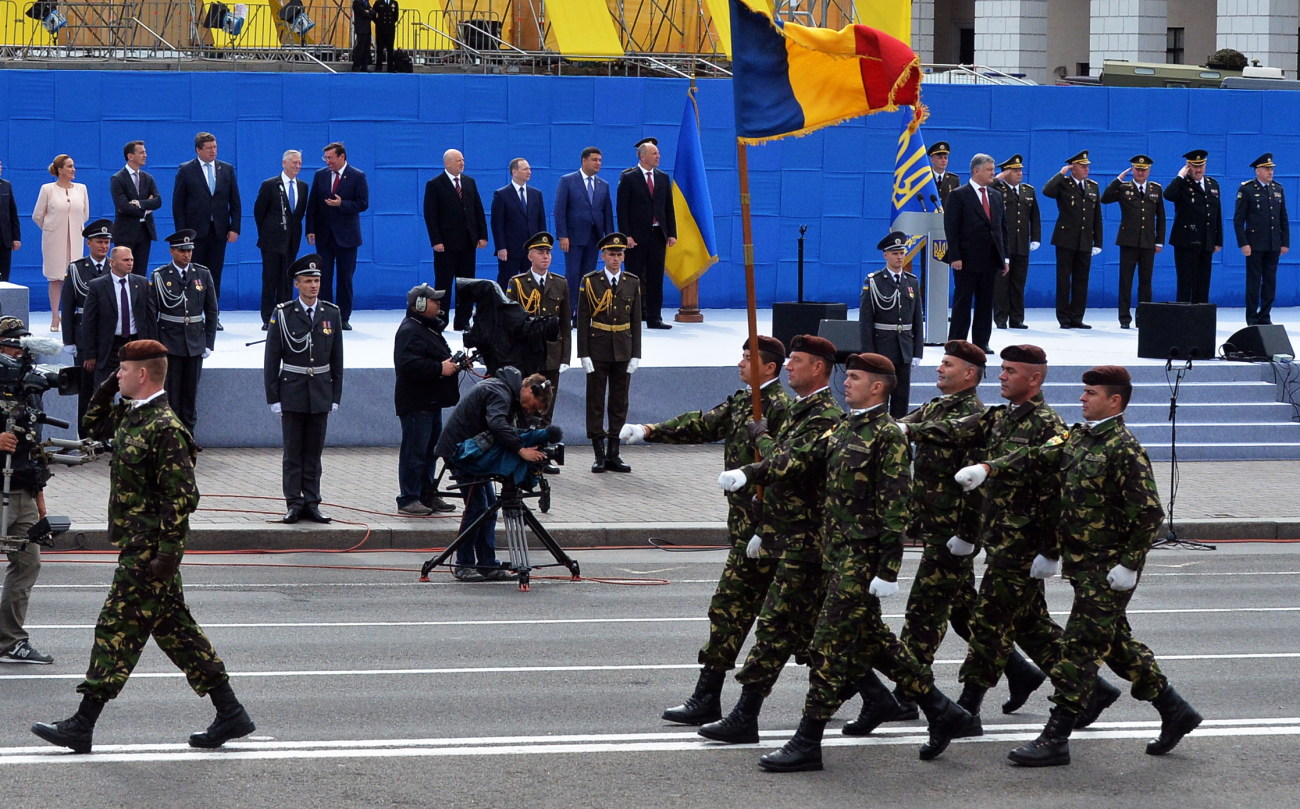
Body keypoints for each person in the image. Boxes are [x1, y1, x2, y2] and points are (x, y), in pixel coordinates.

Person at [721, 353, 976, 772]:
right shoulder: (844, 427)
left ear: (878, 387)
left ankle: (807, 741)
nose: (847, 384)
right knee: (875, 642)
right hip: (833, 553)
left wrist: (888, 570)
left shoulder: (887, 435)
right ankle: (943, 711)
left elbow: (896, 506)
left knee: (827, 647)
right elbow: (796, 460)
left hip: (861, 559)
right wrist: (751, 471)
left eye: (855, 378)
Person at [957, 365, 1203, 766]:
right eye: (1084, 392)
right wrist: (988, 468)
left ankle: (1056, 736)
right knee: (1118, 648)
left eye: (1091, 393)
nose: (1082, 398)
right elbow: (1036, 455)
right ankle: (1175, 710)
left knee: (1080, 649)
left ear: (1115, 401)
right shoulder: (1080, 438)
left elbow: (1148, 514)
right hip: (1083, 566)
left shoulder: (1123, 448)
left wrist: (1129, 565)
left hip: (1108, 571)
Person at [31, 339, 256, 754]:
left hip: (149, 551)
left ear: (143, 374)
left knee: (115, 630)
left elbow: (182, 497)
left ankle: (82, 724)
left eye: (122, 370)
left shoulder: (166, 428)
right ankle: (231, 713)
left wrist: (168, 554)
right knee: (177, 632)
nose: (117, 375)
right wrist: (105, 389)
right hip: (139, 544)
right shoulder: (135, 416)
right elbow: (92, 428)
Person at [905, 345, 1123, 731]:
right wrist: (906, 428)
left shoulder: (1049, 427)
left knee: (989, 624)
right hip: (1000, 538)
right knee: (1029, 625)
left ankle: (966, 710)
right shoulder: (999, 418)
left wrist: (1050, 551)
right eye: (1002, 369)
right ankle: (1091, 689)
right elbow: (958, 434)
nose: (1001, 377)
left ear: (1034, 379)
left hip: (1025, 547)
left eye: (1010, 371)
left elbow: (1058, 494)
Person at [623, 334, 793, 726]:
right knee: (749, 616)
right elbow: (702, 424)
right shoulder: (742, 402)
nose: (741, 362)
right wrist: (650, 431)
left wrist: (766, 526)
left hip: (766, 533)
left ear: (770, 368)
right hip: (745, 530)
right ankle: (707, 697)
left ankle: (709, 698)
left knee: (753, 615)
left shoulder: (780, 409)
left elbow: (787, 472)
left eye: (749, 358)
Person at [689, 335, 842, 743]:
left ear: (818, 368)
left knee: (783, 630)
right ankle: (911, 702)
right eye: (789, 359)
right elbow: (708, 425)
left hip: (802, 540)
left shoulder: (818, 414)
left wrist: (756, 456)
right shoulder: (792, 409)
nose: (791, 366)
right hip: (774, 531)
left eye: (797, 361)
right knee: (785, 626)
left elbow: (788, 464)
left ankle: (773, 724)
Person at [855, 340, 995, 729]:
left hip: (953, 533)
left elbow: (977, 484)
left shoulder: (974, 415)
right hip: (934, 526)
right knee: (967, 613)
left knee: (923, 614)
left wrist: (968, 534)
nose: (939, 369)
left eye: (947, 364)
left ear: (969, 374)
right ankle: (1022, 671)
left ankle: (907, 695)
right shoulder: (937, 405)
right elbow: (907, 425)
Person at [434, 367, 552, 582]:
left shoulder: (505, 391)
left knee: (487, 506)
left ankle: (487, 564)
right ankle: (464, 564)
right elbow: (497, 424)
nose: (529, 411)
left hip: (470, 451)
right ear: (528, 390)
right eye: (533, 407)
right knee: (478, 507)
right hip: (461, 453)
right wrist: (521, 450)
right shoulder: (499, 392)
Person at [265, 255, 344, 525]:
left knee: (314, 452)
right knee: (293, 453)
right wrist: (273, 396)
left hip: (320, 391)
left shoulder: (330, 313)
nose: (313, 286)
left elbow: (337, 359)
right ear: (297, 284)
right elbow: (271, 358)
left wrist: (335, 395)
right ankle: (293, 503)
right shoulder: (283, 314)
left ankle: (312, 502)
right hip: (293, 391)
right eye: (308, 281)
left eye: (317, 281)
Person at [0, 317, 53, 666]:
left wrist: (41, 501)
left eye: (23, 344)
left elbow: (34, 449)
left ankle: (11, 640)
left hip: (21, 490)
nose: (20, 350)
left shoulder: (28, 389)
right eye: (12, 344)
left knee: (27, 564)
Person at [393, 283, 460, 516]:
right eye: (434, 300)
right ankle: (409, 498)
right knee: (415, 452)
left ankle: (426, 494)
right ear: (419, 304)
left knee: (429, 452)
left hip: (430, 402)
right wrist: (440, 368)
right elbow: (408, 365)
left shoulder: (427, 328)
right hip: (417, 403)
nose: (439, 303)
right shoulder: (410, 329)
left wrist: (454, 363)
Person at [577, 232, 640, 472]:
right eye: (612, 254)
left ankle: (615, 452)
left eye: (620, 254)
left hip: (623, 348)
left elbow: (636, 320)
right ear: (603, 255)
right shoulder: (590, 281)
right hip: (598, 347)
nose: (616, 258)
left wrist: (636, 353)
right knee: (595, 401)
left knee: (619, 401)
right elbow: (583, 320)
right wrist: (583, 353)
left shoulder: (631, 281)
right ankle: (599, 453)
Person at [151, 230, 219, 434]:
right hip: (170, 342)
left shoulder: (202, 273)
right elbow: (152, 313)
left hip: (195, 343)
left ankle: (188, 436)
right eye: (182, 250)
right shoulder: (161, 276)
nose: (187, 255)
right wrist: (156, 345)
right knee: (171, 394)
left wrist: (208, 342)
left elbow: (212, 310)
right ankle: (171, 437)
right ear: (172, 251)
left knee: (190, 395)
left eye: (189, 250)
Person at [943, 153, 1009, 351]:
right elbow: (951, 228)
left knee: (985, 301)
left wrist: (1004, 257)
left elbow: (1001, 228)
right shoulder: (958, 195)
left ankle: (981, 342)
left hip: (990, 259)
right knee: (963, 301)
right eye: (989, 170)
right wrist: (955, 256)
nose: (993, 173)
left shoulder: (996, 196)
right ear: (976, 171)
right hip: (966, 259)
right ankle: (956, 341)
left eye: (993, 169)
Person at [172, 132, 240, 319]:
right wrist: (181, 235)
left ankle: (213, 315)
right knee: (193, 274)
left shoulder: (226, 169)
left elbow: (235, 201)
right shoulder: (186, 170)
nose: (213, 151)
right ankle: (193, 313)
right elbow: (178, 204)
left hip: (219, 231)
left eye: (215, 147)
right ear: (198, 150)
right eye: (209, 148)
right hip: (194, 233)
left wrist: (235, 227)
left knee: (214, 275)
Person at [505, 231, 571, 422]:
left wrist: (565, 355)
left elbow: (565, 324)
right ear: (530, 256)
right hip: (527, 354)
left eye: (548, 253)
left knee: (547, 404)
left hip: (551, 353)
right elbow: (511, 322)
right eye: (540, 252)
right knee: (526, 403)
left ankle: (543, 443)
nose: (545, 256)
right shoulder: (517, 283)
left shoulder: (560, 283)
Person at [859, 231, 924, 418]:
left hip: (904, 347)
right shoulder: (874, 281)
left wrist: (917, 351)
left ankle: (899, 428)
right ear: (885, 255)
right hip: (882, 347)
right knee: (880, 394)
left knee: (901, 395)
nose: (900, 257)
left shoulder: (911, 281)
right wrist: (868, 352)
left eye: (902, 253)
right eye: (895, 253)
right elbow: (866, 321)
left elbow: (917, 319)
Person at [306, 142, 369, 329]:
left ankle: (343, 318)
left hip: (347, 237)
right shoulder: (320, 175)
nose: (328, 161)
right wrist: (310, 229)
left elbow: (363, 203)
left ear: (341, 157)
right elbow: (313, 205)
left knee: (345, 278)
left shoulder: (358, 176)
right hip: (324, 236)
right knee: (323, 278)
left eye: (330, 158)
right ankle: (323, 316)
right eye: (325, 158)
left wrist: (342, 204)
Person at [423, 149, 488, 330]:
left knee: (467, 284)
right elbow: (430, 215)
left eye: (463, 160)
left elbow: (478, 210)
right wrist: (436, 240)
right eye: (458, 160)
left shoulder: (469, 182)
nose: (462, 163)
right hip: (446, 245)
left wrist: (482, 235)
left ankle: (463, 320)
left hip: (468, 243)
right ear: (448, 163)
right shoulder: (435, 184)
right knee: (443, 284)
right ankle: (440, 319)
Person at [617, 137, 677, 329]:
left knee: (655, 277)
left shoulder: (662, 177)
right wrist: (626, 235)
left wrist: (672, 233)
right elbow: (622, 209)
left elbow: (668, 207)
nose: (658, 156)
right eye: (654, 153)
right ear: (642, 156)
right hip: (636, 237)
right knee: (632, 277)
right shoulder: (629, 177)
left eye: (658, 153)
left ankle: (654, 317)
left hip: (658, 235)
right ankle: (630, 316)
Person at [1101, 155, 1165, 329]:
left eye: (1144, 170)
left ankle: (1143, 318)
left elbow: (1161, 217)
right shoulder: (1123, 188)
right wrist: (1117, 180)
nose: (1141, 172)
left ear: (1149, 171)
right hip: (1128, 241)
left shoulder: (1156, 189)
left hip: (1147, 242)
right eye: (1137, 169)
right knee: (1126, 281)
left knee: (1146, 282)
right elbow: (1105, 198)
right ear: (1132, 170)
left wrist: (1159, 241)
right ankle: (1124, 318)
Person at [79, 246, 156, 390]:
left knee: (136, 391)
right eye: (126, 260)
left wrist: (152, 349)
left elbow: (150, 319)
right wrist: (89, 354)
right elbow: (89, 322)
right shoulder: (98, 286)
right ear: (112, 262)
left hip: (134, 344)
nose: (130, 263)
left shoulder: (142, 283)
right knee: (103, 393)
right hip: (109, 347)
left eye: (132, 260)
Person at [1042, 150, 1103, 329]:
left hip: (1085, 240)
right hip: (1065, 239)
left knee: (1081, 280)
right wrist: (1061, 173)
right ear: (1073, 168)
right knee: (1064, 280)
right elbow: (1047, 191)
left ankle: (1077, 317)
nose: (1087, 169)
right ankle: (1063, 317)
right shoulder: (1063, 183)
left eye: (1087, 166)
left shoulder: (1093, 186)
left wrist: (1098, 241)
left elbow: (1096, 216)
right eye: (1082, 166)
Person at [61, 220, 112, 432]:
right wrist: (69, 340)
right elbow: (68, 306)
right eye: (100, 242)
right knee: (86, 387)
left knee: (108, 388)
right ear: (89, 243)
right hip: (84, 336)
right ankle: (85, 434)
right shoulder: (77, 269)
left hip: (109, 335)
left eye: (107, 242)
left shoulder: (114, 267)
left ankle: (106, 434)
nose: (104, 246)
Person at [32, 154, 90, 332]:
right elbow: (37, 215)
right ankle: (55, 316)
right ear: (60, 170)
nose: (73, 170)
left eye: (73, 166)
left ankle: (71, 314)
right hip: (54, 239)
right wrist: (51, 228)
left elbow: (85, 214)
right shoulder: (47, 189)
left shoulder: (81, 189)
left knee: (74, 277)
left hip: (76, 237)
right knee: (56, 277)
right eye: (70, 166)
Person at [554, 147, 615, 318]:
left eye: (600, 160)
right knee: (573, 275)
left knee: (588, 276)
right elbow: (560, 210)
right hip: (573, 238)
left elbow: (607, 213)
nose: (598, 163)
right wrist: (563, 235)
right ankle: (568, 311)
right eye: (594, 160)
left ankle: (583, 312)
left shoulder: (603, 185)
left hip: (595, 238)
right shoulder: (568, 181)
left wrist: (609, 240)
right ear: (584, 161)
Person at [254, 149, 309, 329]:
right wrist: (268, 231)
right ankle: (268, 317)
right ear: (284, 163)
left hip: (292, 240)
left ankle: (285, 314)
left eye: (300, 163)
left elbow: (299, 214)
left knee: (287, 278)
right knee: (270, 278)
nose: (297, 166)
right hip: (271, 240)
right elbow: (259, 211)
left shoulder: (303, 186)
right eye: (294, 162)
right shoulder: (270, 185)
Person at [1234, 152, 1289, 325]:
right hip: (1255, 245)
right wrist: (1243, 243)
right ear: (1258, 171)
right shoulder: (1247, 189)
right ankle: (1252, 317)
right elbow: (1238, 220)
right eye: (1267, 169)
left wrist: (1285, 242)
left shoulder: (1278, 189)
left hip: (1273, 244)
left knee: (1270, 283)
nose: (1270, 172)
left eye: (1271, 169)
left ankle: (1265, 316)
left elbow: (1283, 218)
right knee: (1254, 283)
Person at [1163, 149, 1222, 304]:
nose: (1198, 169)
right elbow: (1168, 195)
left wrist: (1218, 240)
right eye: (1194, 166)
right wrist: (1180, 176)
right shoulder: (1181, 184)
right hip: (1185, 241)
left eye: (1201, 165)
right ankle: (1183, 321)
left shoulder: (1212, 184)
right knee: (1185, 282)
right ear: (1188, 166)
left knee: (1203, 282)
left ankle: (1200, 320)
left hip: (1205, 241)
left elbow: (1217, 215)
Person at [992, 154, 1041, 329]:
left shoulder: (1028, 190)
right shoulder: (997, 189)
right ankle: (1000, 318)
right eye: (1015, 170)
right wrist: (997, 179)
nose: (1019, 173)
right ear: (1006, 173)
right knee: (1001, 283)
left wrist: (1035, 238)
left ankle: (1017, 318)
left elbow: (1035, 216)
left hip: (1021, 244)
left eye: (1020, 170)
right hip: (1003, 244)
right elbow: (984, 191)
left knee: (1019, 283)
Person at [491, 158, 546, 287]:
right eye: (525, 169)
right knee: (506, 281)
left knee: (531, 283)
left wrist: (542, 246)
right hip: (510, 249)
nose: (529, 171)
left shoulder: (536, 194)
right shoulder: (502, 194)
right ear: (515, 172)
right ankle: (503, 307)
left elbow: (541, 222)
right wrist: (501, 247)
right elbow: (497, 224)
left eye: (530, 169)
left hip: (532, 249)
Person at [109, 140, 160, 276]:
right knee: (123, 271)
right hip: (125, 233)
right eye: (141, 152)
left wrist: (140, 203)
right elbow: (123, 206)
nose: (145, 155)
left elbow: (157, 201)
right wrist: (145, 210)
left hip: (144, 232)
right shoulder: (118, 178)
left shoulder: (147, 178)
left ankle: (140, 297)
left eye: (145, 152)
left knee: (140, 272)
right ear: (130, 156)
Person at [0, 157, 21, 283]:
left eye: (0, 165)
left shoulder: (6, 186)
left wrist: (16, 237)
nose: (0, 168)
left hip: (4, 239)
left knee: (4, 275)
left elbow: (13, 212)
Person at [928, 141, 961, 206]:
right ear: (932, 159)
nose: (943, 160)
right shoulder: (927, 178)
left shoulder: (954, 180)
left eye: (945, 158)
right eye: (940, 157)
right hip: (930, 215)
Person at [372, 0, 398, 70]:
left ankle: (390, 66)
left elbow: (396, 16)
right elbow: (373, 14)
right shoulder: (378, 3)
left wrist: (391, 23)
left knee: (390, 48)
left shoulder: (394, 3)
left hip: (390, 29)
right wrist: (378, 22)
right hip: (380, 29)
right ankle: (378, 66)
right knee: (379, 48)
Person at [351, 0, 373, 71]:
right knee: (360, 47)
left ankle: (364, 65)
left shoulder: (366, 2)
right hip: (361, 28)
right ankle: (356, 65)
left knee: (367, 48)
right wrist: (368, 12)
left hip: (367, 29)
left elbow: (373, 11)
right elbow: (362, 13)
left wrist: (368, 12)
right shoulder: (357, 2)